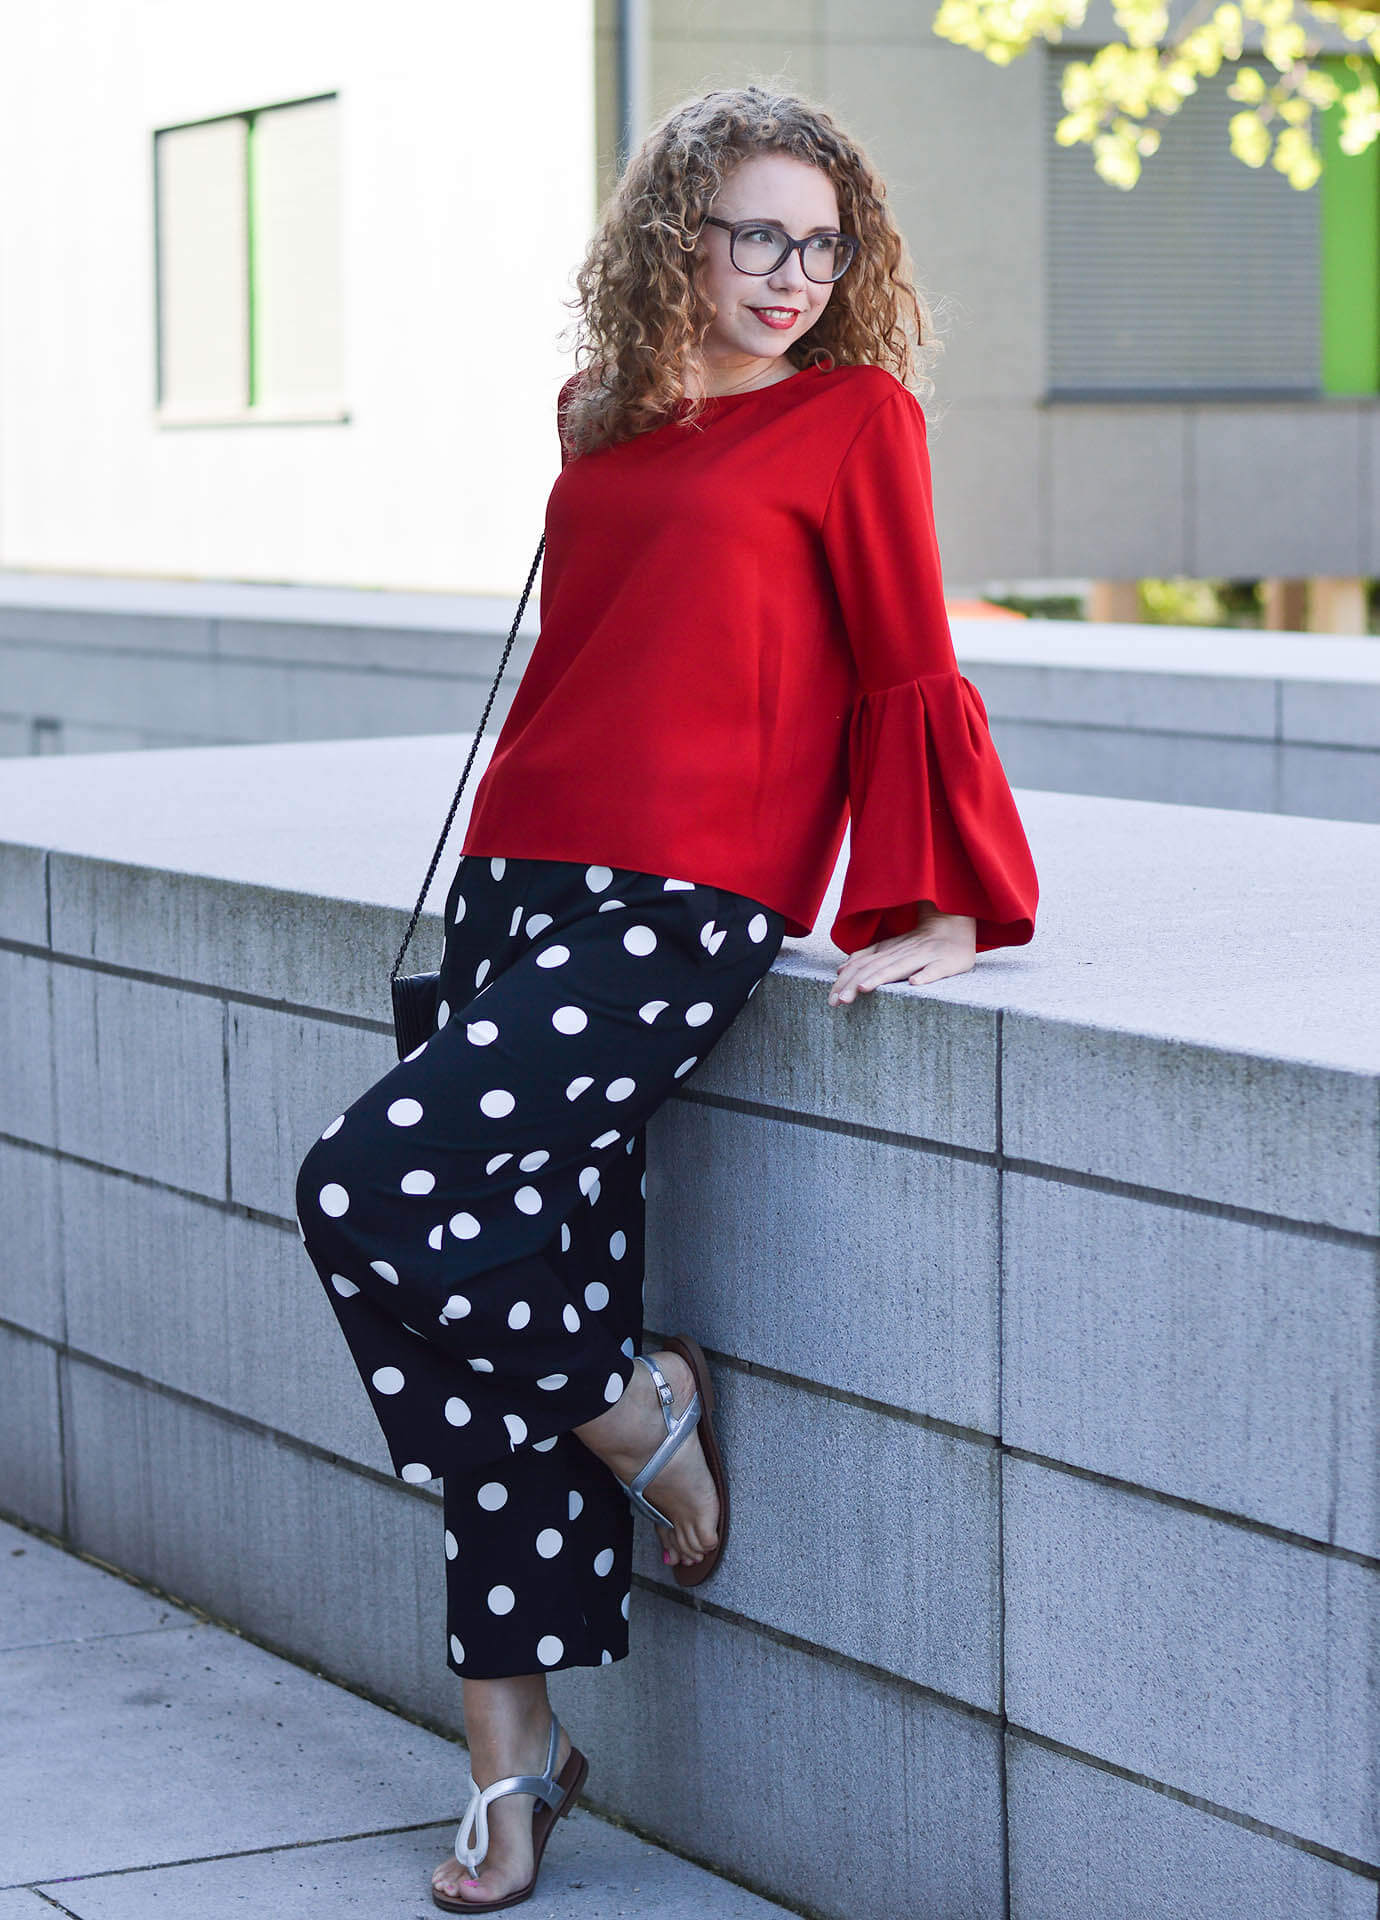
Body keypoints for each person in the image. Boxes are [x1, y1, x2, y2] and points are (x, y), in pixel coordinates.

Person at [294, 81, 1038, 1914]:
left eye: (821, 240)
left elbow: (903, 661)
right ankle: (513, 1758)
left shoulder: (858, 418)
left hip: (691, 889)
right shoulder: (600, 413)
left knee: (365, 1185)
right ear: (673, 242)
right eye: (752, 236)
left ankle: (636, 1416)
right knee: (506, 1294)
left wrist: (938, 898)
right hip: (520, 877)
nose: (791, 272)